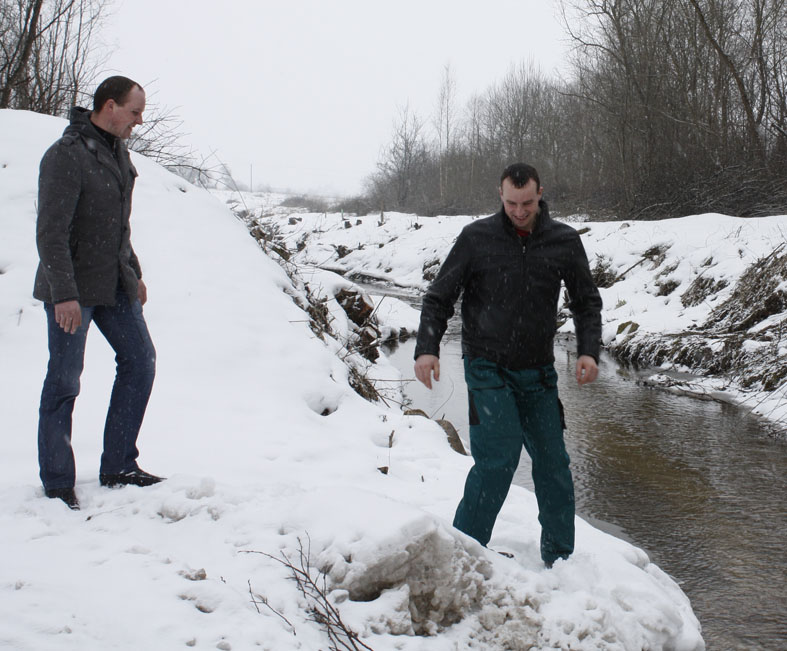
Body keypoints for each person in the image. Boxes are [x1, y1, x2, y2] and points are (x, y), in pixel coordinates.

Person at [414, 163, 602, 567]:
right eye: (512, 202)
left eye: (527, 203)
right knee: (498, 461)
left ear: (540, 194)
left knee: (554, 467)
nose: (519, 211)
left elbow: (586, 301)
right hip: (486, 367)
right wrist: (427, 347)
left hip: (537, 372)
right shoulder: (476, 238)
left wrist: (588, 349)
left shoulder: (563, 241)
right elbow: (438, 297)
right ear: (500, 196)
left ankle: (561, 561)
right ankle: (464, 554)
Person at [34, 75, 162, 510]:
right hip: (72, 289)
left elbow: (117, 227)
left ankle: (119, 465)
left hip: (113, 282)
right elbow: (51, 233)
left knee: (140, 361)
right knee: (65, 380)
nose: (139, 121)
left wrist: (134, 273)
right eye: (135, 111)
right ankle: (56, 481)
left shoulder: (117, 152)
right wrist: (64, 295)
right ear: (110, 106)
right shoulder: (66, 156)